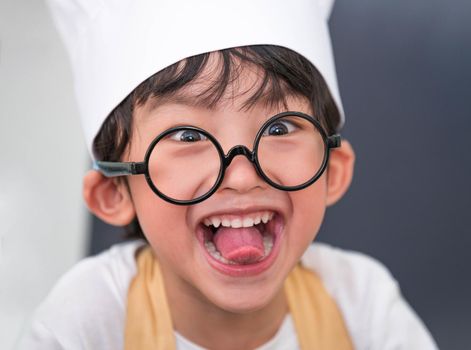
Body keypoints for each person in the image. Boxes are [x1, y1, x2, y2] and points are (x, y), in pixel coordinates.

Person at [19, 0, 438, 349]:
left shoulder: (360, 302)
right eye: (186, 135)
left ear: (333, 171)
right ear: (114, 191)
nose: (240, 175)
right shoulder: (88, 320)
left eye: (279, 128)